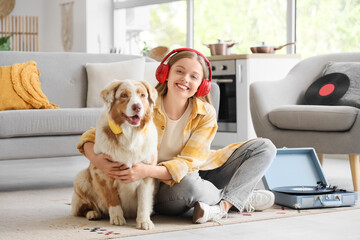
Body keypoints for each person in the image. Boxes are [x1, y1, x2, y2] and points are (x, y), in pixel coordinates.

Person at [77, 48, 277, 224]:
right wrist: (97, 160)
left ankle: (225, 204)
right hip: (166, 185)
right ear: (166, 73)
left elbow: (190, 162)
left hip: (196, 169)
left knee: (265, 147)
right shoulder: (144, 103)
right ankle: (238, 197)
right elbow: (92, 134)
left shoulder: (205, 112)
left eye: (193, 76)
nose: (185, 79)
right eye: (179, 71)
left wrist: (146, 170)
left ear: (202, 84)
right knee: (189, 186)